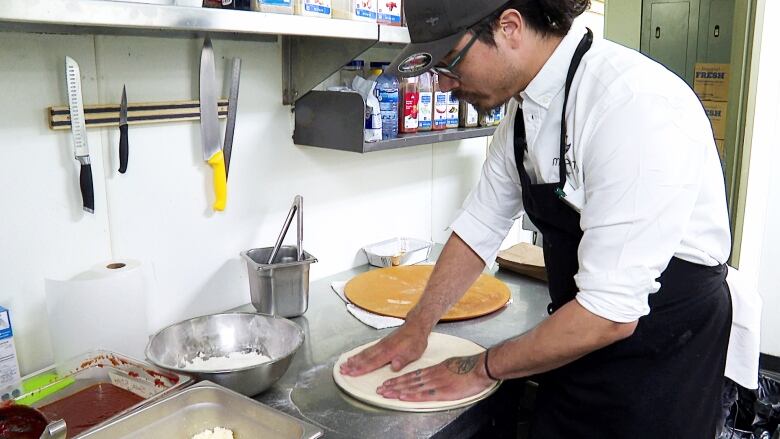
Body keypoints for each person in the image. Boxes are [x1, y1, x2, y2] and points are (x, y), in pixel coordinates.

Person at [340, 0, 735, 437]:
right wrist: (416, 328)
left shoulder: (632, 105)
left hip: (661, 357)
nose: (447, 84)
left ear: (510, 28)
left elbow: (610, 314)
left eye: (451, 62)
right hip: (574, 339)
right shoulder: (523, 113)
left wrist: (482, 367)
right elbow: (479, 226)